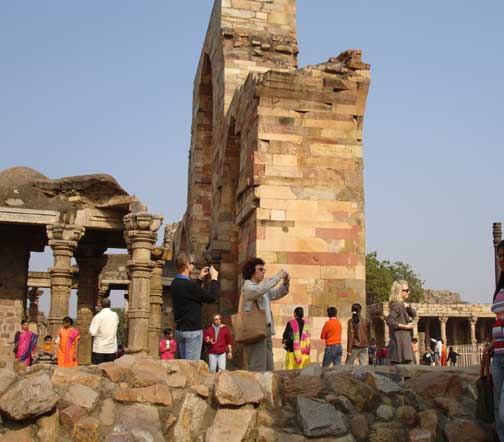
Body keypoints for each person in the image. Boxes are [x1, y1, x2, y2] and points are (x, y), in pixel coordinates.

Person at [241, 257, 290, 371]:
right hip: (255, 331)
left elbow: (278, 293)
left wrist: (286, 283)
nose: (264, 272)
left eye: (264, 270)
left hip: (266, 332)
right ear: (252, 271)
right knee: (258, 369)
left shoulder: (262, 289)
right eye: (260, 269)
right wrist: (278, 276)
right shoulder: (248, 287)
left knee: (269, 368)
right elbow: (260, 290)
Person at [171, 253, 219, 360]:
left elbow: (191, 295)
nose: (193, 265)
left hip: (180, 331)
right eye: (192, 263)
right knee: (191, 368)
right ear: (187, 265)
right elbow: (211, 297)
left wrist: (200, 279)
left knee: (185, 367)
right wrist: (214, 279)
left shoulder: (175, 283)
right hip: (192, 332)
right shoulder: (189, 285)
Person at [491, 239, 504, 440]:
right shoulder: (500, 287)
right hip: (498, 354)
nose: (500, 259)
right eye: (499, 256)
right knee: (497, 413)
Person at [386, 280, 416, 365]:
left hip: (403, 343)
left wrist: (408, 307)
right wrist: (406, 326)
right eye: (406, 290)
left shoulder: (401, 304)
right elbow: (390, 320)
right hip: (400, 343)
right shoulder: (397, 305)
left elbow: (414, 314)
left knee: (405, 372)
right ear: (399, 291)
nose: (408, 292)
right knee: (407, 372)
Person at [89, 297, 119, 364]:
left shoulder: (98, 316)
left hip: (100, 349)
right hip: (112, 348)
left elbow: (92, 332)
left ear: (101, 305)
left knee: (97, 372)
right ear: (110, 305)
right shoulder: (115, 315)